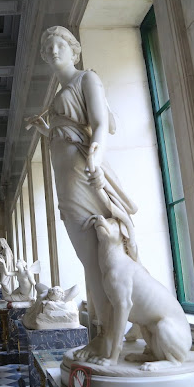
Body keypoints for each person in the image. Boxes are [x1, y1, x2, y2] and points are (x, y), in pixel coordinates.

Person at [24, 26, 139, 361]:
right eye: (48, 47)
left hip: (82, 171)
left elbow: (100, 124)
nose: (53, 50)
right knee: (89, 259)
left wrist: (96, 158)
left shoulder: (87, 79)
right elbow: (65, 132)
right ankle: (104, 334)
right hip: (65, 178)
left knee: (101, 256)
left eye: (59, 44)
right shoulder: (61, 92)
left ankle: (113, 334)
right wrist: (47, 130)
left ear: (73, 49)